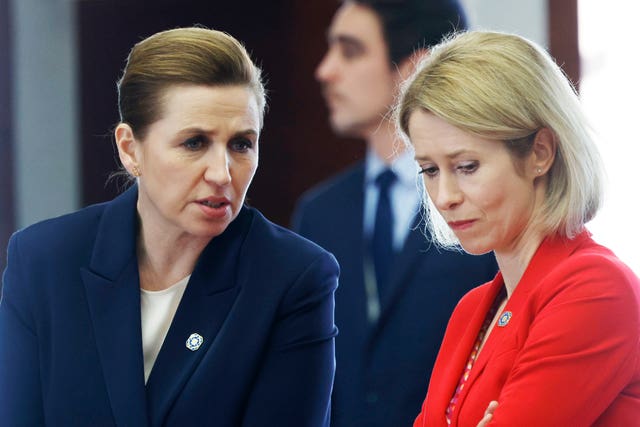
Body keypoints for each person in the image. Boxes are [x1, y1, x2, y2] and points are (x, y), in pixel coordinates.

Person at [0, 27, 339, 426]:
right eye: (194, 142)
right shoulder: (44, 259)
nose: (221, 173)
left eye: (241, 144)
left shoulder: (292, 277)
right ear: (130, 149)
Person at [397, 30, 640, 426]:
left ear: (540, 153)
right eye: (429, 170)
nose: (444, 196)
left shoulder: (596, 286)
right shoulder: (471, 309)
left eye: (467, 167)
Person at [291, 1, 498, 426]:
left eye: (350, 51)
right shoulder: (318, 213)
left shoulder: (486, 201)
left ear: (415, 68)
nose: (325, 70)